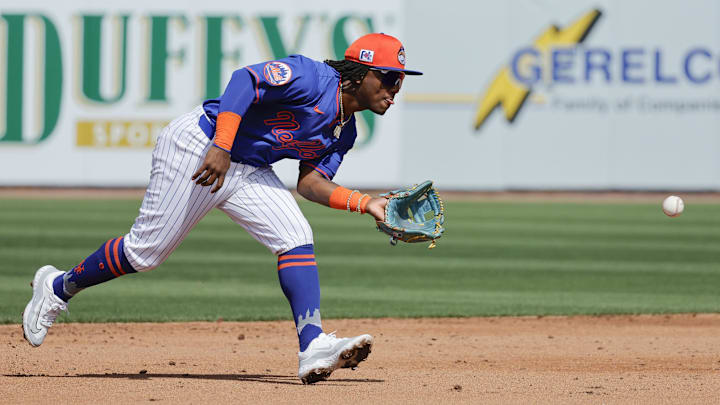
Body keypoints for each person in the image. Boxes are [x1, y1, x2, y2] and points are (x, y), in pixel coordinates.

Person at [21, 33, 422, 384]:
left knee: (295, 236)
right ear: (359, 73)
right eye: (389, 76)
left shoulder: (344, 130)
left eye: (400, 79)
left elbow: (311, 184)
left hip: (248, 168)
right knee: (144, 253)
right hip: (199, 146)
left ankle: (313, 344)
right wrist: (222, 145)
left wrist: (366, 202)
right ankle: (58, 286)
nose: (396, 86)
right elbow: (244, 80)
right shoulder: (312, 77)